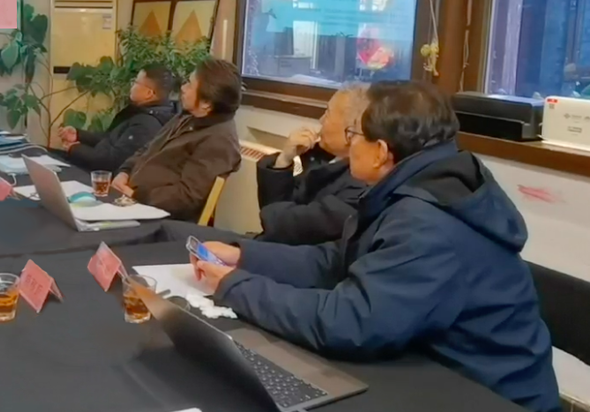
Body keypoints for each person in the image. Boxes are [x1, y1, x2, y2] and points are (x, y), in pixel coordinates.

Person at [192, 81, 560, 412]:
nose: (348, 143)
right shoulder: (420, 186)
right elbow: (337, 260)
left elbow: (348, 322)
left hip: (484, 395)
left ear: (381, 151)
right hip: (429, 371)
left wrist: (235, 287)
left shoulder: (427, 222)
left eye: (354, 134)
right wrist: (245, 257)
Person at [111, 58, 242, 222]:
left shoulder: (219, 141)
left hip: (159, 219)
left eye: (190, 85)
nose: (183, 88)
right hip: (132, 201)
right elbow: (148, 148)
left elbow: (186, 196)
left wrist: (137, 194)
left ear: (206, 103)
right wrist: (125, 171)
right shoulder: (187, 117)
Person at [254, 84, 368, 244]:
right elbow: (275, 211)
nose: (321, 120)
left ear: (350, 131)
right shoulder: (323, 158)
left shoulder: (359, 184)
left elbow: (284, 224)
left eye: (327, 113)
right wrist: (284, 160)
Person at [58, 64, 176, 172]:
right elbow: (112, 139)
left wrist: (75, 149)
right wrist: (79, 135)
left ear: (149, 93)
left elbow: (113, 162)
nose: (132, 85)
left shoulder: (145, 125)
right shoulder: (140, 112)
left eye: (136, 82)